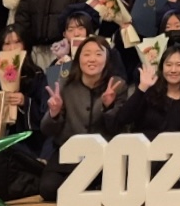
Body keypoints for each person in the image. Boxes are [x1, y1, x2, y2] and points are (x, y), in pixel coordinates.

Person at [39, 36, 127, 200]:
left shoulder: (117, 85)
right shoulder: (64, 85)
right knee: (48, 189)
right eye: (86, 54)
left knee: (114, 189)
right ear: (78, 58)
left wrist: (108, 107)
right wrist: (54, 113)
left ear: (107, 58)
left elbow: (118, 128)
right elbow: (46, 130)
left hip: (103, 157)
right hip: (68, 154)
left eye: (98, 54)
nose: (92, 59)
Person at [114, 43, 180, 138]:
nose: (173, 70)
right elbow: (122, 119)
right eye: (168, 65)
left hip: (178, 146)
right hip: (145, 145)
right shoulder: (149, 92)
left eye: (179, 65)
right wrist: (141, 88)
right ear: (162, 67)